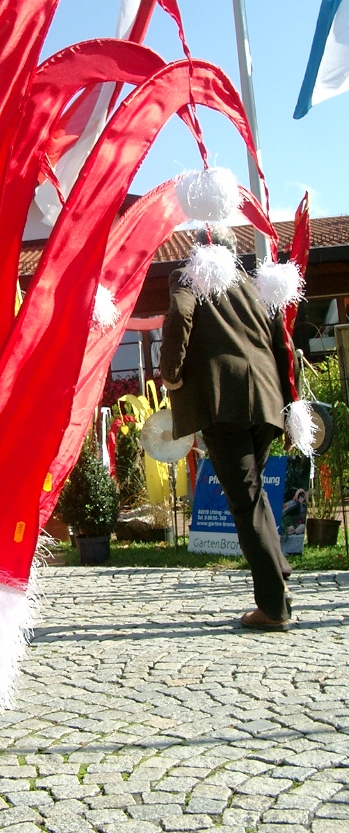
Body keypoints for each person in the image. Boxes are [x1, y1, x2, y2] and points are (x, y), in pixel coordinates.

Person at [159, 226, 296, 631]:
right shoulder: (255, 287)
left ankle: (273, 608)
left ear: (200, 253)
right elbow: (282, 343)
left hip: (223, 402)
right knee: (253, 494)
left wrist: (170, 374)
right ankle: (278, 574)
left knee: (245, 501)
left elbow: (180, 313)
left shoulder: (189, 278)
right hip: (266, 401)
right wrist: (289, 403)